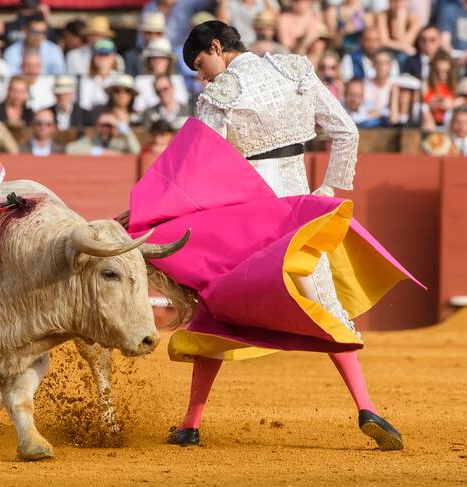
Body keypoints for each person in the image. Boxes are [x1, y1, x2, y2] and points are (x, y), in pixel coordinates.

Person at [128, 20, 414, 451]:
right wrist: (328, 189)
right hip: (298, 212)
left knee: (217, 310)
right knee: (324, 308)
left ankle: (191, 424)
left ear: (216, 46)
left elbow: (198, 170)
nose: (202, 75)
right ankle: (367, 408)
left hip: (247, 216)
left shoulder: (220, 94)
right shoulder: (293, 70)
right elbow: (346, 131)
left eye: (200, 64)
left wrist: (150, 213)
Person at [421, 50, 464, 130]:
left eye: (446, 72)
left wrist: (452, 105)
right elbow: (420, 105)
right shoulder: (425, 85)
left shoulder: (455, 85)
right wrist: (430, 105)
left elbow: (462, 101)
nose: (442, 76)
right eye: (438, 72)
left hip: (451, 126)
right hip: (430, 125)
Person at [65, 110, 140, 155]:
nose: (106, 129)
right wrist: (100, 152)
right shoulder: (90, 141)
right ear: (96, 126)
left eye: (109, 126)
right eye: (103, 125)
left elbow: (135, 150)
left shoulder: (119, 144)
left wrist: (121, 125)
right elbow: (70, 149)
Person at [124, 12, 166, 76]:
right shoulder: (131, 56)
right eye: (149, 32)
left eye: (158, 33)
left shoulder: (171, 56)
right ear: (142, 33)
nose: (153, 36)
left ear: (162, 34)